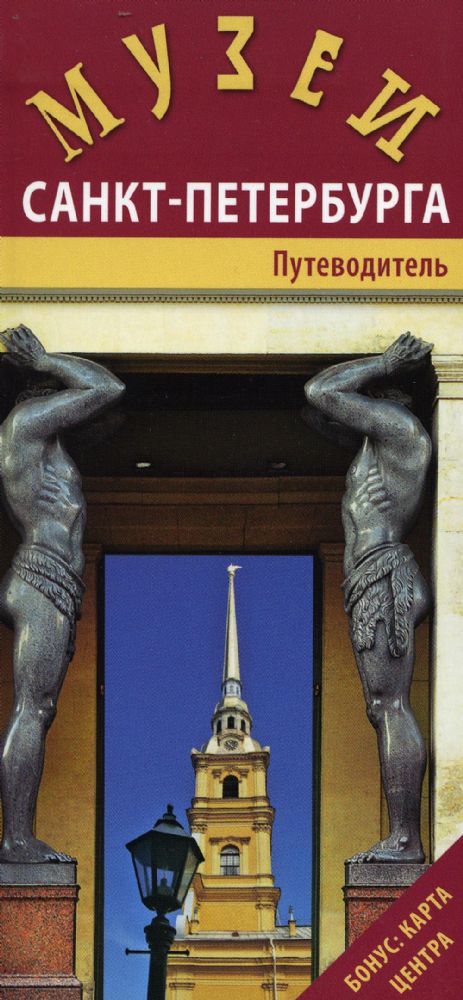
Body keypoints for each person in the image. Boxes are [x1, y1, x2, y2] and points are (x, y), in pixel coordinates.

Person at [305, 333, 433, 862]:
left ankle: (405, 838)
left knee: (389, 705)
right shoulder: (378, 443)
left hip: (383, 575)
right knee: (382, 706)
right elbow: (323, 413)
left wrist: (381, 362)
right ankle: (403, 835)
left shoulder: (399, 429)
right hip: (372, 576)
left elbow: (321, 392)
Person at [0, 325, 125, 862]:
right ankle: (16, 838)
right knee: (33, 707)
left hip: (55, 583)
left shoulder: (47, 445)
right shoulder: (26, 424)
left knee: (39, 708)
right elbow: (106, 388)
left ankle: (18, 835)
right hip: (41, 576)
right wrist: (47, 359)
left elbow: (106, 413)